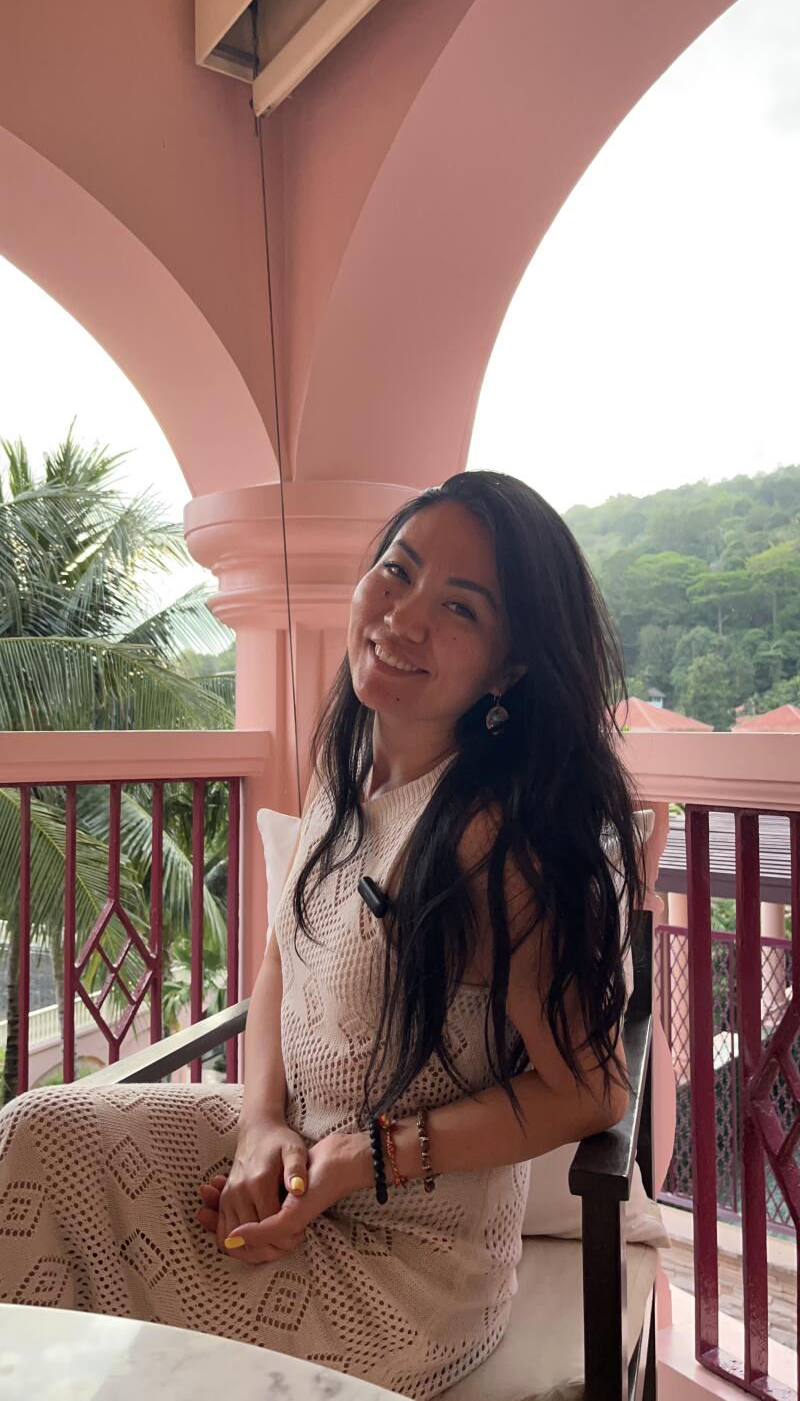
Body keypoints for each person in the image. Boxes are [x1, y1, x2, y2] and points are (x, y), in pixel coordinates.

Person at [0, 471, 645, 1399]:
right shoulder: (346, 765)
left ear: (509, 669)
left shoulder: (495, 844)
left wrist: (369, 1156)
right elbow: (277, 958)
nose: (404, 617)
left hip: (404, 1262)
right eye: (398, 571)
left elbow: (589, 1091)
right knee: (31, 1137)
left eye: (459, 607)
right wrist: (260, 1125)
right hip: (296, 1153)